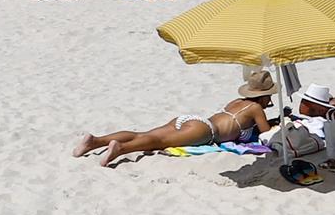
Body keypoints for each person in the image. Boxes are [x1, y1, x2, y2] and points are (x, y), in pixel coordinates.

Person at [72, 70, 278, 167]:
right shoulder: (255, 108)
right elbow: (266, 132)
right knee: (158, 142)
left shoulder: (238, 101)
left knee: (145, 134)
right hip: (207, 132)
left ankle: (95, 141)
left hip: (193, 120)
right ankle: (121, 149)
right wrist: (273, 117)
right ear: (265, 95)